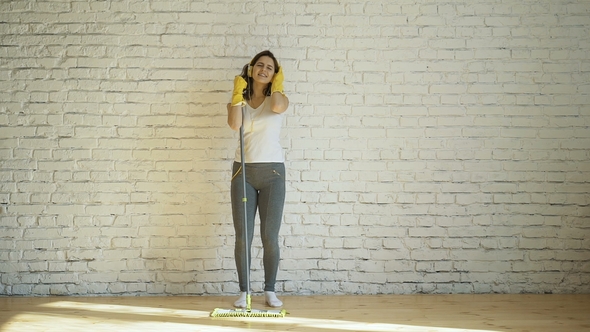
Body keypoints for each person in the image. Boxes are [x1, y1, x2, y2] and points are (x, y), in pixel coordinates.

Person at [227, 50, 289, 308]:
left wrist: (277, 85)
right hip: (243, 173)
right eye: (259, 65)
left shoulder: (280, 98)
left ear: (276, 74)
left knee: (269, 236)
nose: (264, 69)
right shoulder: (238, 99)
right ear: (251, 68)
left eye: (270, 68)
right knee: (243, 236)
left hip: (273, 174)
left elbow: (275, 106)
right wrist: (236, 96)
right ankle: (244, 292)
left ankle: (270, 290)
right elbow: (234, 125)